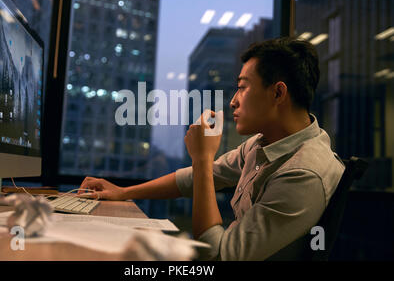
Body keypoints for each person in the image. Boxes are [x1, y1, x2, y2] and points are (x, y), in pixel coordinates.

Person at [78, 37, 345, 260]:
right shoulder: (264, 143)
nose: (232, 102)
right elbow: (192, 179)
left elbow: (217, 257)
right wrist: (124, 192)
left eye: (242, 88)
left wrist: (203, 157)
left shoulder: (303, 173)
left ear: (278, 93)